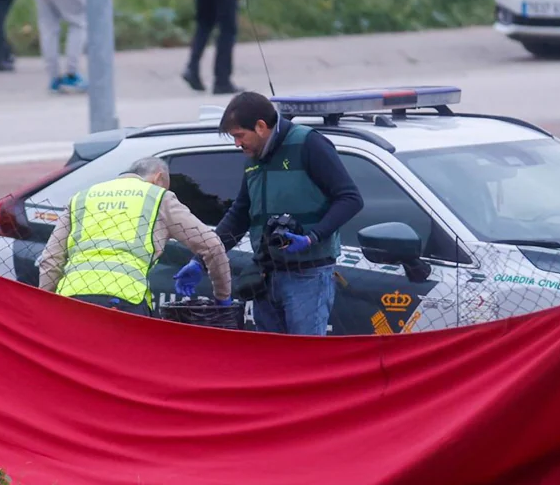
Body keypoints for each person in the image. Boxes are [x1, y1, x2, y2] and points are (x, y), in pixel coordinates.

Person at [174, 93, 363, 335]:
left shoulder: (308, 144)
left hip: (307, 275)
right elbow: (239, 216)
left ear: (261, 127)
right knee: (272, 361)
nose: (237, 144)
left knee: (304, 359)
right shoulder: (253, 159)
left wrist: (311, 237)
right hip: (265, 276)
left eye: (239, 136)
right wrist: (201, 260)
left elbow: (350, 198)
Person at [39, 157, 232, 316]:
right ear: (159, 177)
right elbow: (212, 244)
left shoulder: (82, 197)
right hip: (124, 301)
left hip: (71, 298)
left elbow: (50, 259)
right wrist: (223, 298)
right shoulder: (158, 197)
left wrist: (47, 306)